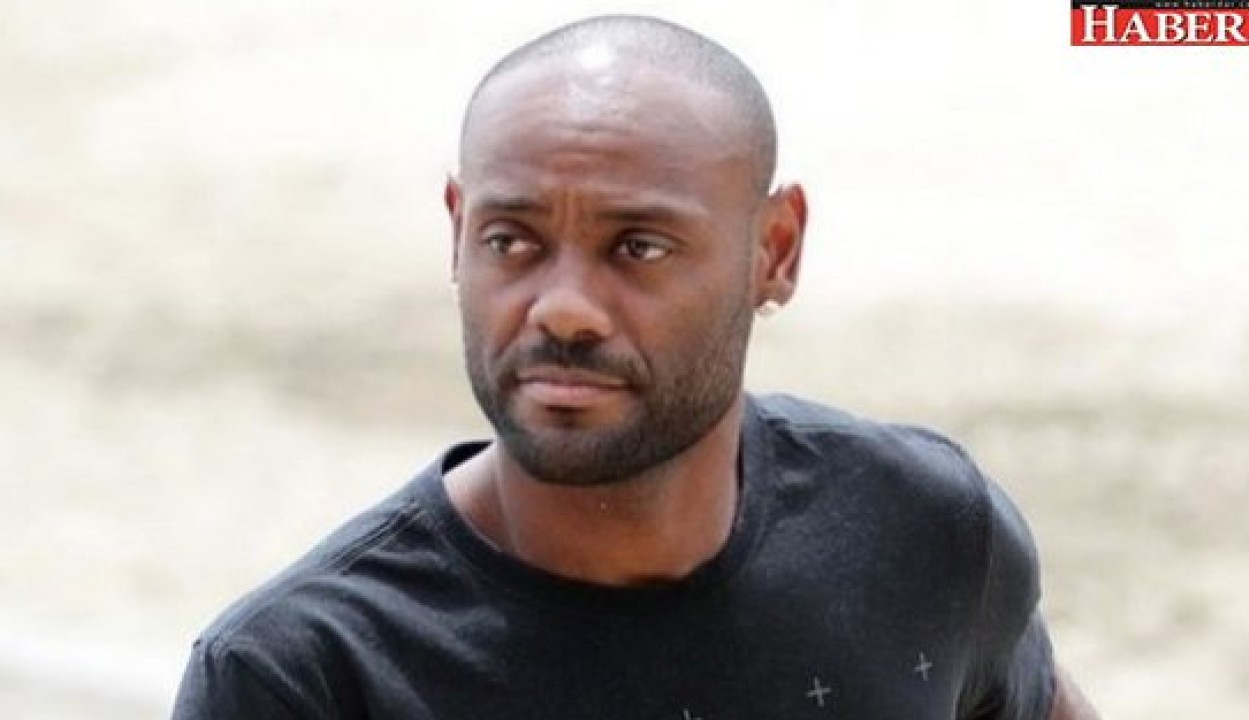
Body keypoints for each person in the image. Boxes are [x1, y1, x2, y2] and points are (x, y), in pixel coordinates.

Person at [172, 14, 1100, 720]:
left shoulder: (921, 529)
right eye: (511, 240)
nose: (563, 308)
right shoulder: (304, 678)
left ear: (774, 251)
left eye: (639, 247)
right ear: (457, 232)